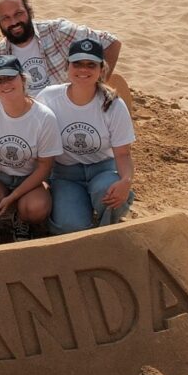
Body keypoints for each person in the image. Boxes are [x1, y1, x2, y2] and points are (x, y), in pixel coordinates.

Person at [36, 39, 135, 235]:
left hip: (102, 169)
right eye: (77, 64)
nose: (84, 70)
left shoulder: (113, 104)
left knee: (108, 191)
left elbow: (123, 154)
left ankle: (107, 226)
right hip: (65, 174)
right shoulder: (48, 98)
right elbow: (33, 135)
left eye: (91, 64)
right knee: (70, 227)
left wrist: (126, 181)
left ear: (101, 69)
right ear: (67, 67)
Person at [0, 55, 62, 245]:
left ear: (22, 79)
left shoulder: (44, 118)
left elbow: (45, 167)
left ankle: (21, 219)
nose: (5, 84)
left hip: (28, 178)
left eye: (10, 77)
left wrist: (13, 196)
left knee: (36, 209)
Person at [0, 0, 121, 96]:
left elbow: (111, 43)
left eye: (19, 14)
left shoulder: (57, 31)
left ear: (29, 13)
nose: (14, 22)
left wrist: (97, 90)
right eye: (5, 18)